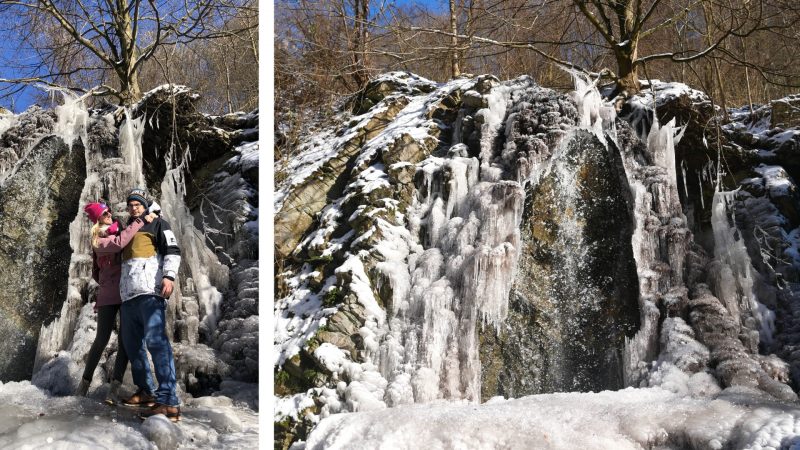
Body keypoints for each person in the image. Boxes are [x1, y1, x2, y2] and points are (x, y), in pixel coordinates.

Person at [77, 201, 156, 404]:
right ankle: (83, 386)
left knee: (125, 341)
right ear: (97, 219)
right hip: (108, 294)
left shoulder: (120, 228)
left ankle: (114, 390)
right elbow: (119, 243)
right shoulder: (97, 240)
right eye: (104, 213)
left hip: (126, 292)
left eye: (109, 211)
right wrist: (139, 221)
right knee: (101, 339)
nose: (109, 214)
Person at [119, 187, 182, 422]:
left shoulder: (158, 223)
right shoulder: (128, 228)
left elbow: (173, 250)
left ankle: (168, 401)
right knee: (132, 345)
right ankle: (146, 391)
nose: (133, 208)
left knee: (156, 342)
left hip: (149, 292)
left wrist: (169, 276)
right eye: (131, 204)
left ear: (145, 205)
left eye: (138, 204)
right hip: (128, 297)